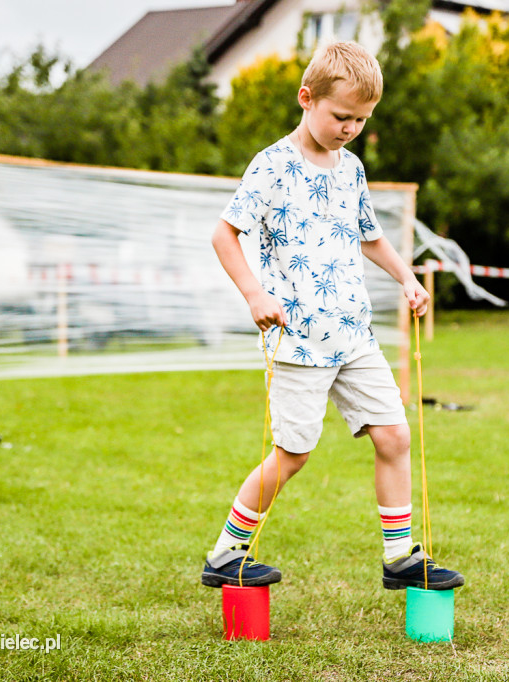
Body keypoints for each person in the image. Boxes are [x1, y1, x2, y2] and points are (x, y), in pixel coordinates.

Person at [203, 41, 463, 592]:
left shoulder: (352, 171)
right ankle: (226, 553)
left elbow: (369, 236)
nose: (350, 128)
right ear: (307, 98)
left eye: (362, 120)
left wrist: (409, 279)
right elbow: (224, 234)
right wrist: (254, 294)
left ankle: (400, 558)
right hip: (297, 342)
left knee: (394, 436)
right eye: (341, 116)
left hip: (353, 336)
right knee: (292, 454)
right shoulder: (272, 165)